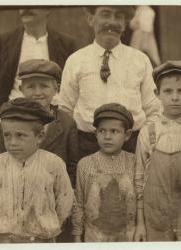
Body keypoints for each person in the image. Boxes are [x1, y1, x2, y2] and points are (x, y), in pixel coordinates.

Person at [59, 6, 161, 158]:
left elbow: (154, 110)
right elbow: (64, 110)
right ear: (91, 19)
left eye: (119, 16)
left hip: (131, 146)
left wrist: (144, 143)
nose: (112, 22)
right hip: (87, 147)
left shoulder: (140, 60)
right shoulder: (76, 60)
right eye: (105, 15)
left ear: (125, 24)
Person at [134, 61, 181, 241]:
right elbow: (139, 180)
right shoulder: (148, 132)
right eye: (168, 91)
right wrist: (140, 224)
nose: (174, 97)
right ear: (157, 94)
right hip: (155, 220)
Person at [0, 98, 74, 243]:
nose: (12, 142)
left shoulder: (53, 163)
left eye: (20, 135)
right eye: (7, 135)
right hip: (7, 238)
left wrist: (48, 224)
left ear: (39, 137)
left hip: (42, 238)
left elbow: (64, 200)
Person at [0, 59, 79, 189]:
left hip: (53, 192)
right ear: (21, 89)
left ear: (56, 88)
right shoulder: (9, 119)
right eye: (31, 86)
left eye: (44, 86)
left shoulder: (67, 122)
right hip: (17, 190)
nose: (38, 93)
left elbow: (73, 166)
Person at [0, 7, 77, 108]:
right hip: (13, 113)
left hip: (54, 114)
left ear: (48, 8)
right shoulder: (4, 41)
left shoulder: (66, 44)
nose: (26, 7)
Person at [72, 103, 137, 242]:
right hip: (95, 237)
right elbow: (79, 203)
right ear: (95, 133)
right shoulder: (85, 164)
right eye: (102, 131)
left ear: (127, 135)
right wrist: (77, 237)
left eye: (114, 131)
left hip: (128, 236)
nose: (107, 136)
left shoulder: (134, 163)